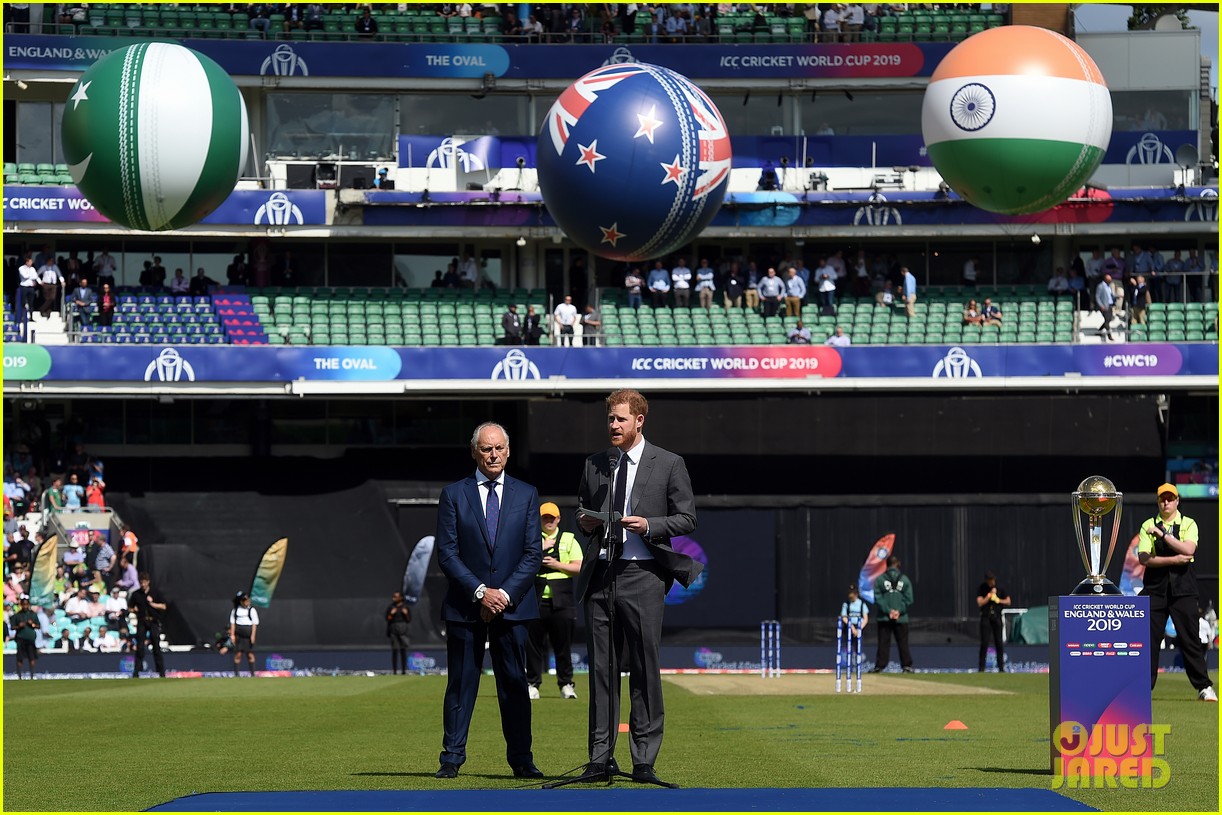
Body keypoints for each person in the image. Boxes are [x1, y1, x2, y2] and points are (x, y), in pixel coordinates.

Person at [576, 389, 702, 785]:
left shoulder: (668, 463)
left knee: (645, 669)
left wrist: (650, 525)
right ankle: (599, 759)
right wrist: (587, 521)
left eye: (620, 419)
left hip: (644, 574)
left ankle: (643, 760)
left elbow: (687, 519)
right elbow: (581, 512)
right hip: (600, 575)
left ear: (639, 420)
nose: (613, 425)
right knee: (601, 670)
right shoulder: (596, 464)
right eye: (610, 419)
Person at [434, 422, 543, 780]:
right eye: (485, 449)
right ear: (474, 452)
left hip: (513, 609)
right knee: (461, 684)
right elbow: (448, 554)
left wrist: (503, 596)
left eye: (498, 448)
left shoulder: (526, 494)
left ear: (508, 451)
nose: (493, 454)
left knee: (514, 686)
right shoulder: (453, 494)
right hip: (466, 608)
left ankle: (522, 760)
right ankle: (451, 758)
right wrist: (481, 592)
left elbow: (532, 553)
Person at [1138, 483, 1216, 701]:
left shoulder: (1188, 523)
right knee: (1148, 640)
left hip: (1183, 589)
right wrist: (1174, 559)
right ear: (1158, 501)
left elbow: (1189, 550)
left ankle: (1204, 686)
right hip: (1155, 590)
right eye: (1163, 498)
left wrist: (1163, 536)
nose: (1166, 502)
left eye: (1170, 498)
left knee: (1190, 638)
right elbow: (1144, 558)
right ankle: (1143, 688)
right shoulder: (1147, 524)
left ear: (1177, 501)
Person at [526, 502, 583, 700]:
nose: (548, 521)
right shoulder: (530, 539)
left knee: (563, 646)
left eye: (552, 518)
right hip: (536, 599)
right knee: (533, 645)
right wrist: (539, 548)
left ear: (558, 519)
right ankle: (532, 683)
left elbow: (579, 567)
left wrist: (557, 564)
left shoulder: (568, 538)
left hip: (562, 601)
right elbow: (519, 562)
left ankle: (566, 684)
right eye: (545, 517)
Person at [869, 555, 914, 673]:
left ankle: (880, 666)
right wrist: (899, 611)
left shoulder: (880, 579)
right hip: (901, 617)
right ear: (897, 564)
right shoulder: (904, 579)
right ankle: (906, 666)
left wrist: (888, 611)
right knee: (903, 642)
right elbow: (909, 598)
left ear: (886, 565)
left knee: (883, 642)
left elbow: (877, 597)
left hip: (884, 617)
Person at [128, 572, 168, 678]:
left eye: (144, 583)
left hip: (153, 621)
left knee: (156, 646)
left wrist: (152, 603)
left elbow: (164, 606)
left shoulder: (155, 593)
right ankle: (136, 672)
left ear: (148, 582)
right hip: (142, 621)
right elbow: (130, 607)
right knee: (140, 647)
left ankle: (161, 672)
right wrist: (134, 609)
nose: (142, 585)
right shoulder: (136, 594)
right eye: (141, 583)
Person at [976, 571, 1009, 672]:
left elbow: (1008, 601)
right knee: (984, 642)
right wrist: (989, 596)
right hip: (986, 617)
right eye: (990, 580)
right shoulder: (982, 588)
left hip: (997, 618)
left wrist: (998, 600)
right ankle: (981, 668)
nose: (992, 582)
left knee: (999, 642)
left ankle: (1001, 667)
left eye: (993, 580)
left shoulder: (1000, 588)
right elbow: (980, 603)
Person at [228, 591, 259, 677]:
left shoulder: (252, 610)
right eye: (245, 600)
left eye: (248, 600)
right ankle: (237, 674)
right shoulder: (235, 611)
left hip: (248, 636)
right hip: (239, 636)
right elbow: (233, 623)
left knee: (250, 654)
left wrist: (252, 636)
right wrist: (232, 635)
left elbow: (254, 624)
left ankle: (253, 674)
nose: (247, 601)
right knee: (238, 654)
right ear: (241, 601)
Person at [10, 595, 40, 679]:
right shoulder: (17, 615)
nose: (25, 606)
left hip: (30, 639)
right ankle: (19, 676)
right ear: (21, 605)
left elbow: (38, 626)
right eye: (23, 605)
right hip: (21, 639)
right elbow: (12, 627)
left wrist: (32, 624)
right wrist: (19, 626)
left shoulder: (33, 614)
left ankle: (32, 675)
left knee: (32, 658)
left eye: (26, 604)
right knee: (20, 658)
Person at [385, 590, 412, 675]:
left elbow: (408, 619)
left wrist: (406, 613)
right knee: (395, 650)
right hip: (394, 631)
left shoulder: (405, 607)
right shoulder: (391, 607)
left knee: (403, 650)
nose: (394, 598)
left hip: (403, 631)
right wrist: (391, 614)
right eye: (393, 597)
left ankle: (404, 671)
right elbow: (387, 619)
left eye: (396, 597)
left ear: (400, 598)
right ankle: (395, 671)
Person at [1095, 273, 1116, 341]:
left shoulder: (1108, 286)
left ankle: (1099, 331)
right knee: (1107, 320)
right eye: (1109, 279)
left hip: (1110, 305)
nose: (1110, 280)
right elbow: (1097, 296)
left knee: (1109, 320)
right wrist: (1101, 305)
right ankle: (1109, 335)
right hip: (1104, 306)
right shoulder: (1101, 286)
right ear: (1105, 279)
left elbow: (1110, 295)